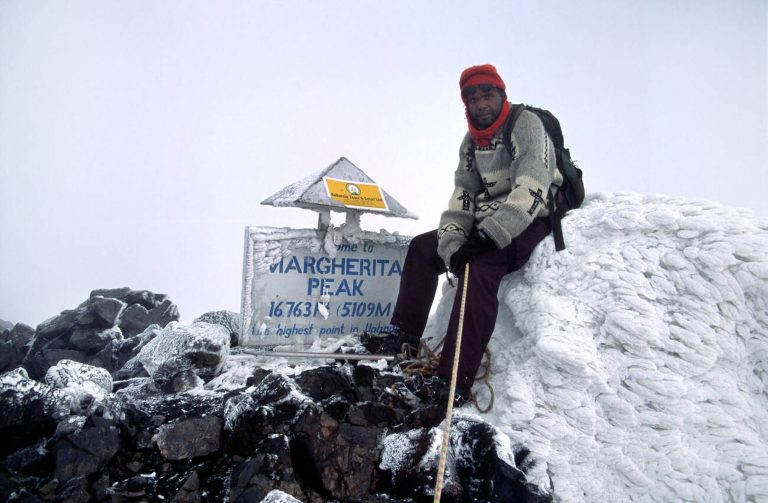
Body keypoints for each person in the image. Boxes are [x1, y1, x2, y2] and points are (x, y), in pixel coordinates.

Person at [388, 64, 563, 399]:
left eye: (488, 95)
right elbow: (463, 194)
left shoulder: (526, 125)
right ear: (465, 104)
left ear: (501, 95)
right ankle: (405, 336)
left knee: (480, 268)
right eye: (473, 98)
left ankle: (454, 379)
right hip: (488, 214)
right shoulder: (471, 142)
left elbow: (532, 188)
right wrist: (452, 241)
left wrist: (489, 236)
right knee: (425, 248)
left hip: (532, 214)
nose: (481, 103)